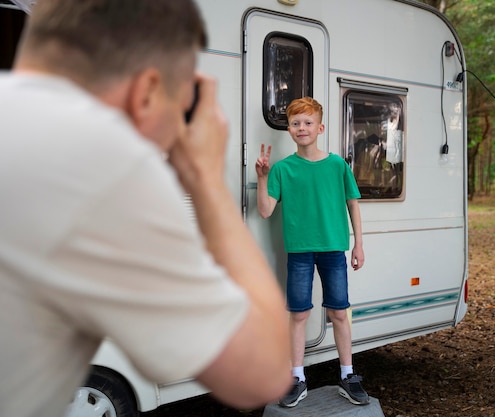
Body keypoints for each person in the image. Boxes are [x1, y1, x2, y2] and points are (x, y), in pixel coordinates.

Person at [0, 1, 292, 417]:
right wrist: (206, 179)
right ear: (148, 92)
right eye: (183, 105)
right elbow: (261, 372)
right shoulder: (102, 164)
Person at [256, 97, 370, 407]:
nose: (301, 128)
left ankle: (348, 375)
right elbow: (266, 211)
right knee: (299, 314)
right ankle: (297, 378)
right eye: (295, 123)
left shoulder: (337, 165)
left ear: (319, 127)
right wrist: (263, 177)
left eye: (308, 123)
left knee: (339, 312)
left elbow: (353, 204)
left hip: (334, 248)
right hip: (300, 252)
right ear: (289, 130)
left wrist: (358, 243)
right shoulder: (282, 169)